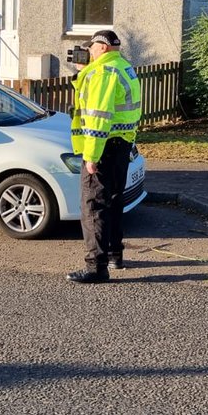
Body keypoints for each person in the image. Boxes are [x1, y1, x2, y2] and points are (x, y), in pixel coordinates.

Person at [66, 29, 142, 284]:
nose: (88, 51)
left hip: (104, 146)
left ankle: (95, 267)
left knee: (93, 207)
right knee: (113, 201)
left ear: (103, 47)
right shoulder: (122, 67)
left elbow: (98, 118)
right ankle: (114, 254)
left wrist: (91, 157)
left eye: (91, 47)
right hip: (121, 145)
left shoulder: (102, 73)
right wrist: (81, 71)